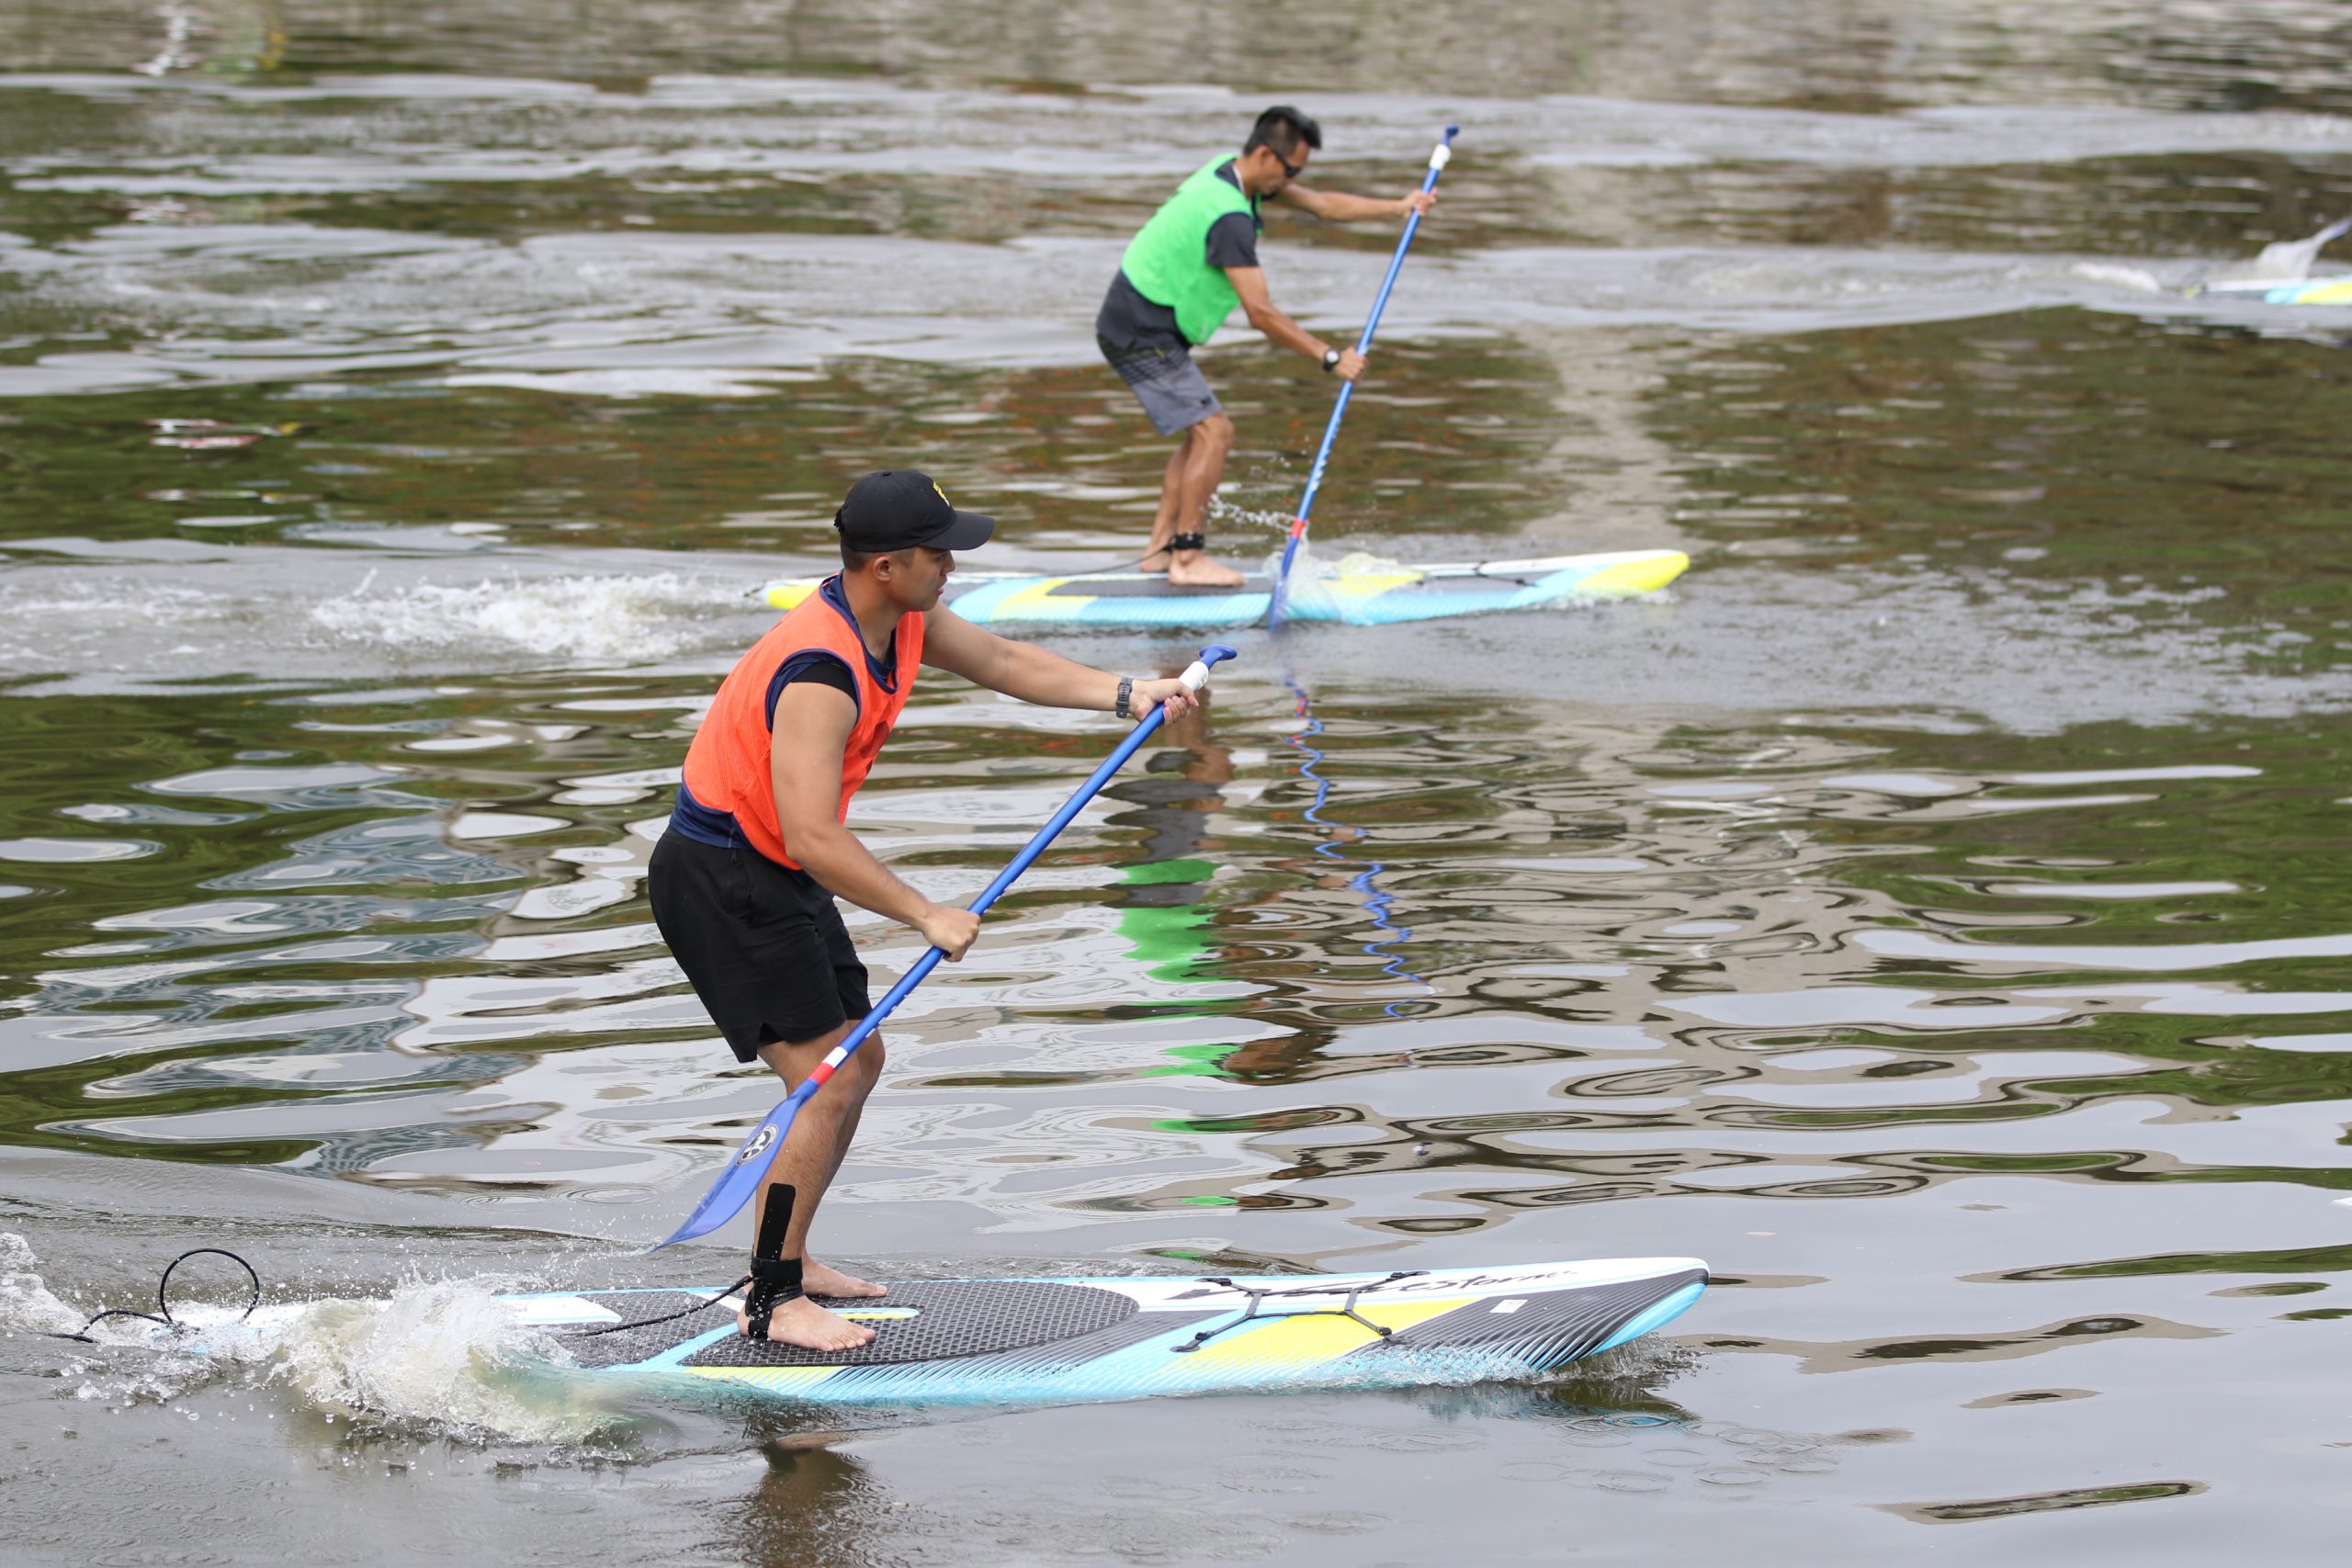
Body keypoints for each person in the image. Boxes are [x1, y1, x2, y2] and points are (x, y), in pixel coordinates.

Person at [648, 469, 1205, 1350]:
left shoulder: (906, 620)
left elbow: (1009, 663)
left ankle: (787, 1258)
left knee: (856, 1058)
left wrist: (1127, 691)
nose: (950, 565)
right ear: (882, 566)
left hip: (774, 867)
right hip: (726, 876)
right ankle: (772, 1298)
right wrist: (923, 913)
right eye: (936, 552)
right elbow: (811, 834)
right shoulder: (818, 671)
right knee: (823, 1079)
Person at [1095, 105, 1439, 588]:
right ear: (1264, 153)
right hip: (1139, 331)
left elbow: (1321, 205)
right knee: (1216, 433)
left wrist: (1398, 207)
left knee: (1199, 434)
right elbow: (1261, 313)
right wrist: (1330, 356)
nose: (1295, 179)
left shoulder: (1231, 172)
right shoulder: (1230, 219)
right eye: (1292, 169)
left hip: (1143, 324)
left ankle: (1159, 551)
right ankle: (1188, 558)